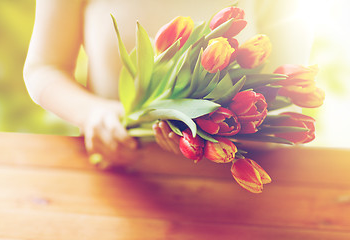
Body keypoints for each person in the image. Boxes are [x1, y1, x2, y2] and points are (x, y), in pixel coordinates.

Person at [23, 0, 313, 167]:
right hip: (119, 180)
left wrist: (205, 134)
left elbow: (285, 104)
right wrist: (93, 114)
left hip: (236, 193)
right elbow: (44, 67)